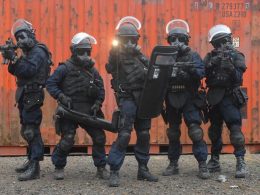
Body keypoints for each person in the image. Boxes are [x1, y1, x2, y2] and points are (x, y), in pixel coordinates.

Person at [46, 32, 109, 180]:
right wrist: (61, 96)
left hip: (89, 110)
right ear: (74, 51)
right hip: (69, 110)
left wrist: (97, 103)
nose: (85, 54)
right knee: (68, 139)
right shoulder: (64, 68)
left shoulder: (92, 71)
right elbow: (50, 83)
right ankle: (59, 166)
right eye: (82, 51)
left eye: (88, 51)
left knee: (99, 137)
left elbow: (101, 89)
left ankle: (101, 167)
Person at [106, 16, 158, 187]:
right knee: (124, 134)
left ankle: (143, 169)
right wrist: (117, 47)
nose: (128, 43)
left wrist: (139, 55)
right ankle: (114, 170)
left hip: (143, 98)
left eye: (131, 40)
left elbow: (153, 70)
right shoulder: (117, 56)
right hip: (127, 99)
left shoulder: (141, 56)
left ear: (136, 40)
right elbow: (111, 63)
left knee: (144, 134)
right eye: (125, 40)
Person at [1, 19, 52, 181]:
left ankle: (35, 167)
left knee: (31, 130)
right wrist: (11, 58)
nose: (20, 41)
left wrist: (15, 60)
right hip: (25, 94)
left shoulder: (38, 52)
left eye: (23, 36)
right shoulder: (28, 53)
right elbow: (15, 71)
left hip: (33, 94)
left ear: (31, 34)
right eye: (18, 38)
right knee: (26, 130)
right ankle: (31, 159)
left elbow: (28, 71)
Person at [162, 19, 210, 179]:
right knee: (173, 133)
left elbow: (201, 72)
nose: (176, 42)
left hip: (189, 98)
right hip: (171, 98)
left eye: (180, 39)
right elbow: (156, 77)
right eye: (173, 39)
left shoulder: (193, 55)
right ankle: (173, 164)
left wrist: (187, 72)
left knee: (195, 132)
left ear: (186, 41)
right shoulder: (164, 56)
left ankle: (203, 164)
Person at [204, 24, 247, 178]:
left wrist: (230, 68)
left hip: (230, 96)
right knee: (214, 131)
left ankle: (241, 160)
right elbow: (201, 72)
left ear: (229, 40)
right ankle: (214, 160)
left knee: (235, 130)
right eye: (218, 43)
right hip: (214, 97)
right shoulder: (210, 57)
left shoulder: (237, 56)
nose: (222, 46)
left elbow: (239, 78)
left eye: (224, 41)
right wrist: (212, 63)